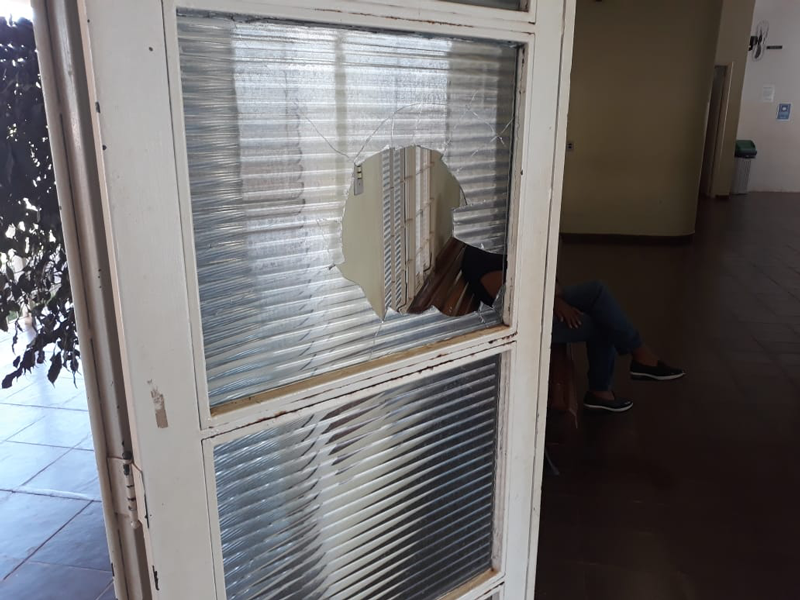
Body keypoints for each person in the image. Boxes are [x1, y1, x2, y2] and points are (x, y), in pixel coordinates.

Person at [461, 245, 684, 413]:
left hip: (537, 303)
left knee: (597, 290)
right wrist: (554, 302)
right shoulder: (479, 253)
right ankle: (603, 389)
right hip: (523, 322)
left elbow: (540, 273)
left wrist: (555, 297)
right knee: (603, 323)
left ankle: (639, 354)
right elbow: (510, 299)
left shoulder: (500, 240)